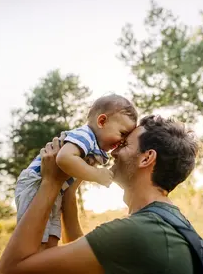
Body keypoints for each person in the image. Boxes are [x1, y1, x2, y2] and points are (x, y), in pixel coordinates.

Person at [0, 115, 200, 274]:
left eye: (125, 144)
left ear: (146, 158)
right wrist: (69, 190)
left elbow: (10, 271)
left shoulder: (136, 232)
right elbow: (82, 256)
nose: (113, 153)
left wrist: (50, 182)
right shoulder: (167, 221)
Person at [14, 94, 138, 249]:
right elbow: (64, 158)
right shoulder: (85, 135)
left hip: (56, 189)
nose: (122, 141)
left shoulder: (95, 149)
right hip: (35, 182)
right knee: (35, 237)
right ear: (102, 121)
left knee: (52, 237)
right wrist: (96, 175)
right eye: (122, 133)